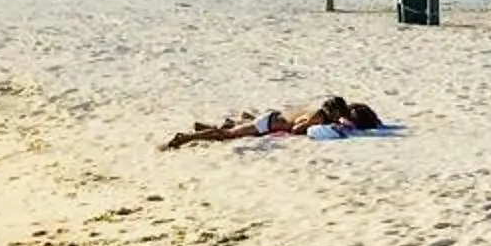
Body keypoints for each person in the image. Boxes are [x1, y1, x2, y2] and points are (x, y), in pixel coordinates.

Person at [163, 98, 383, 149]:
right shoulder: (318, 117)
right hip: (267, 125)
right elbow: (296, 129)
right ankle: (186, 137)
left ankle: (202, 127)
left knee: (236, 129)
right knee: (227, 136)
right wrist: (309, 131)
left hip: (271, 119)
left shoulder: (317, 111)